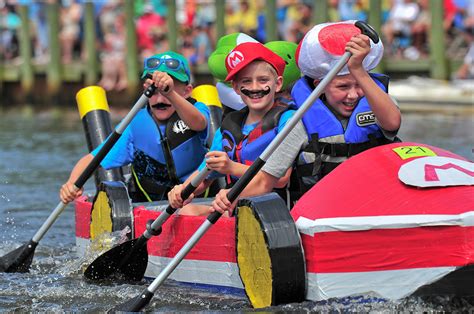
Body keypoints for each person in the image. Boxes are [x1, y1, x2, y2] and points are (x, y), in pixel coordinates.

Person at [209, 20, 402, 215]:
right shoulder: (299, 120)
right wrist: (230, 196)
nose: (352, 95)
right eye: (343, 87)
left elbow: (392, 123)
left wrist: (358, 71)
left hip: (376, 206)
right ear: (321, 86)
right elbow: (266, 181)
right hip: (323, 216)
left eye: (359, 85)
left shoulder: (377, 104)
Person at [60, 51, 210, 204]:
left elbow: (198, 123)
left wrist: (170, 93)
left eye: (165, 90)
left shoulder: (198, 110)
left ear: (187, 91)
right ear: (146, 88)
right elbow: (93, 158)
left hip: (195, 200)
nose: (160, 99)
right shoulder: (135, 123)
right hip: (148, 206)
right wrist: (72, 183)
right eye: (155, 91)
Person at [167, 42, 295, 215]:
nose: (255, 88)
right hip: (234, 206)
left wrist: (232, 168)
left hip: (275, 212)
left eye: (263, 80)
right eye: (246, 81)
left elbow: (280, 179)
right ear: (236, 88)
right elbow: (204, 175)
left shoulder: (288, 120)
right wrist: (182, 190)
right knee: (187, 212)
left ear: (278, 84)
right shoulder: (229, 125)